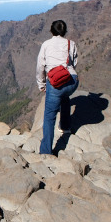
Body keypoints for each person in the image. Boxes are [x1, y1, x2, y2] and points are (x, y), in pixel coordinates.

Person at [36, 20, 79, 155]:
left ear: (51, 31)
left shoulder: (46, 44)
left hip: (55, 84)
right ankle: (65, 127)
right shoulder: (70, 43)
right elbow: (74, 62)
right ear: (64, 31)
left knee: (49, 117)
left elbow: (40, 67)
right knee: (64, 96)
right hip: (72, 81)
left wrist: (41, 84)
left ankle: (45, 152)